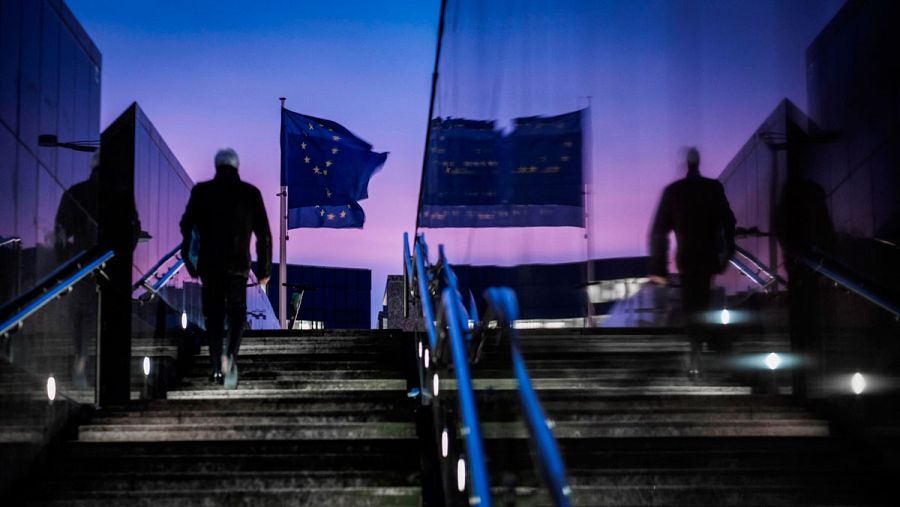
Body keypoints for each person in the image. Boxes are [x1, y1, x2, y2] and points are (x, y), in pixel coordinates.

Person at [180, 148, 272, 388]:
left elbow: (186, 225)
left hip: (209, 265)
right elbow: (264, 236)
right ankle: (229, 356)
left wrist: (190, 259)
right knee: (238, 313)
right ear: (237, 166)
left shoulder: (202, 192)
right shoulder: (250, 194)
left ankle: (213, 364)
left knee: (213, 315)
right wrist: (263, 272)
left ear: (216, 165)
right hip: (238, 266)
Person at [649, 147, 735, 378]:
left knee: (692, 306)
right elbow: (728, 222)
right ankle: (700, 348)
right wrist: (728, 252)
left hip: (687, 258)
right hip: (707, 257)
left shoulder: (674, 191)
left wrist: (659, 268)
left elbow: (659, 231)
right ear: (699, 162)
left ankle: (695, 352)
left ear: (685, 164)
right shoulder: (712, 188)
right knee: (702, 303)